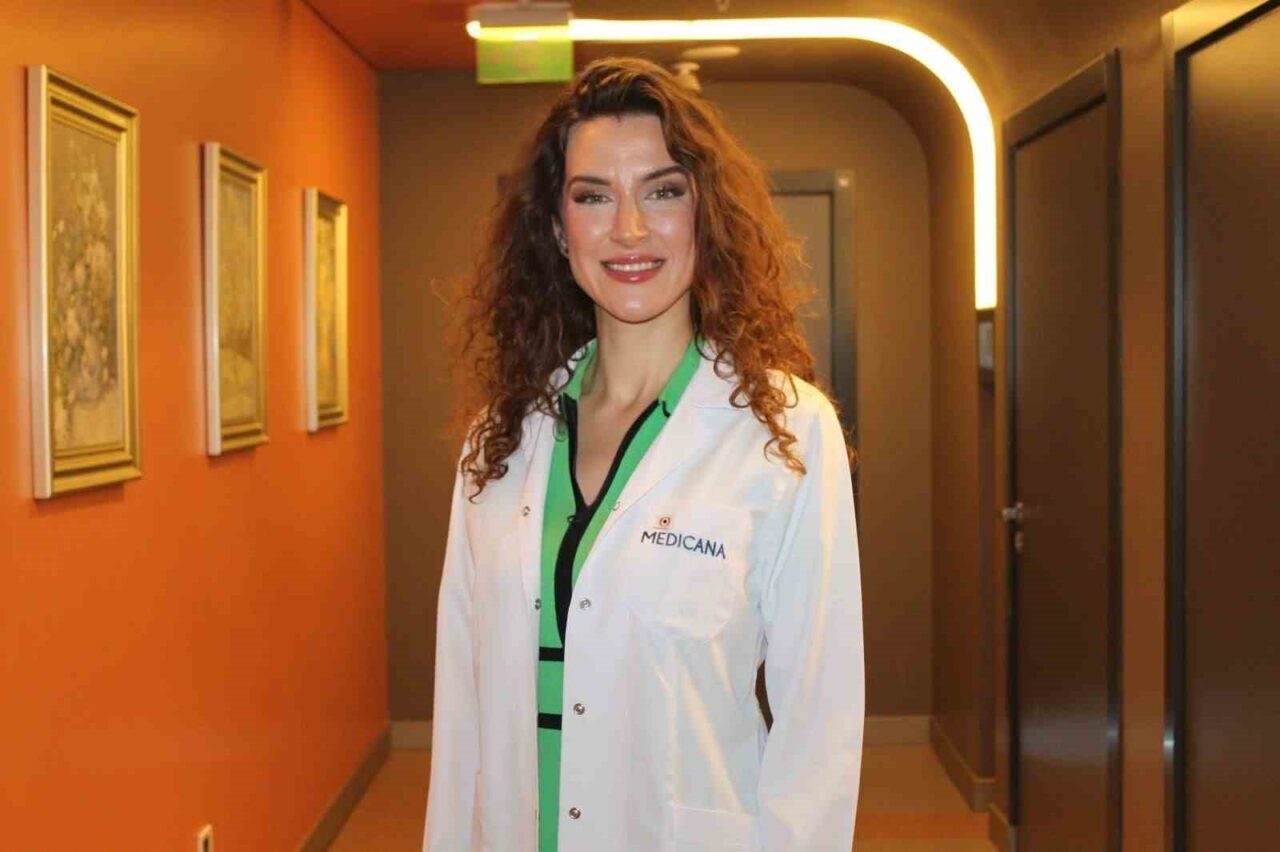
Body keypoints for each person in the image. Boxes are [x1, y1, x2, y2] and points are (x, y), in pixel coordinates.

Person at [424, 57, 864, 852]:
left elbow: (818, 731)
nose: (629, 229)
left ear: (705, 214)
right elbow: (463, 702)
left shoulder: (787, 433)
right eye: (593, 196)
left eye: (662, 192)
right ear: (557, 229)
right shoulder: (501, 442)